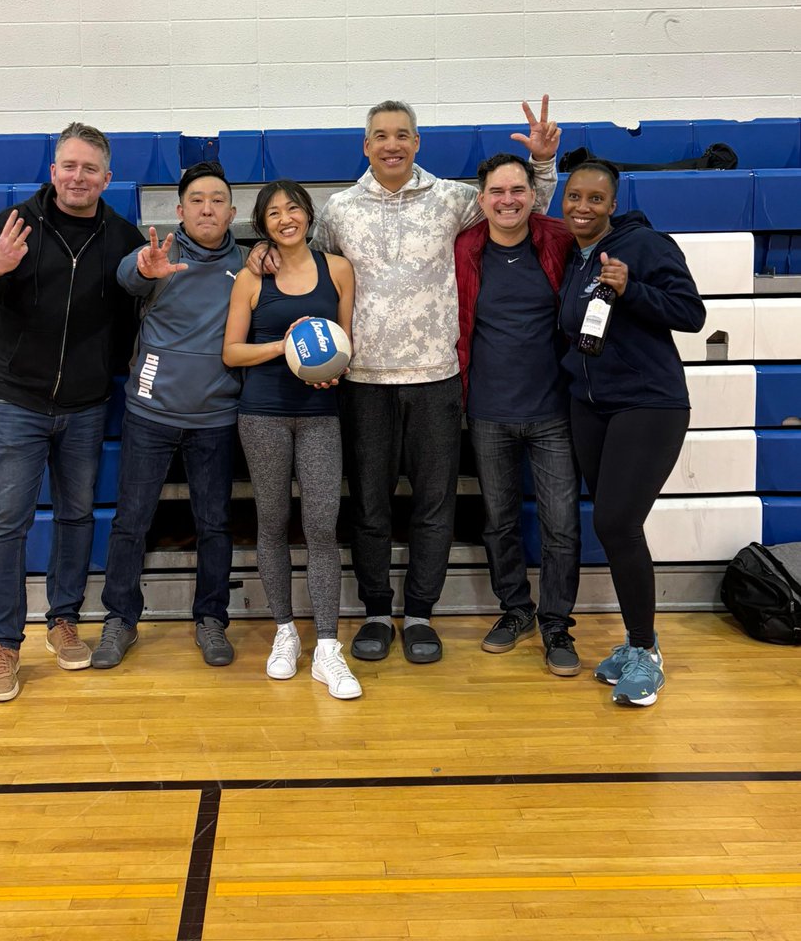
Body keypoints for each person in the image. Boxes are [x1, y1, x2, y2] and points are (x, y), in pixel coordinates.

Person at [310, 97, 560, 664]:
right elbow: (311, 264)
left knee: (433, 505)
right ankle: (376, 611)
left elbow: (518, 207)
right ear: (366, 145)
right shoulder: (339, 210)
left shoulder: (452, 199)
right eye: (381, 135)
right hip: (364, 380)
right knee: (370, 503)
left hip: (437, 379)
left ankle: (420, 612)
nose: (392, 144)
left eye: (403, 134)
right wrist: (264, 262)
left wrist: (543, 163)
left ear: (417, 142)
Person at [0, 122, 144, 703]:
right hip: (16, 401)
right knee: (7, 524)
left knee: (75, 518)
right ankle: (3, 644)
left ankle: (63, 619)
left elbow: (135, 318)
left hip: (86, 406)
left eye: (91, 169)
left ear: (107, 179)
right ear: (53, 170)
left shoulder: (120, 235)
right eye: (69, 165)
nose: (78, 177)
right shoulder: (13, 225)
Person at [558, 159, 706, 706]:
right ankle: (634, 642)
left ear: (612, 204)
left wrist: (632, 288)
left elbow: (692, 314)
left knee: (618, 521)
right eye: (575, 197)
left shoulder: (645, 245)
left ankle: (646, 651)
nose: (583, 207)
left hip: (648, 405)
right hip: (590, 408)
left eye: (595, 199)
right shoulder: (574, 258)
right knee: (617, 528)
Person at [91, 160, 246, 671]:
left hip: (217, 416)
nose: (207, 208)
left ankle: (212, 620)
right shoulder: (158, 255)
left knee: (215, 524)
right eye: (197, 200)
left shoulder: (248, 265)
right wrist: (142, 269)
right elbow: (126, 276)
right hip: (151, 413)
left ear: (232, 210)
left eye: (217, 200)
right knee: (131, 522)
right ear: (180, 210)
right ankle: (120, 620)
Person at [223, 179, 361, 700]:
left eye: (294, 209)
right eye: (274, 213)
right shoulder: (252, 277)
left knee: (322, 525)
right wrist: (283, 347)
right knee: (273, 521)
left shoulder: (339, 269)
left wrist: (333, 370)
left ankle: (327, 646)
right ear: (263, 225)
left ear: (308, 215)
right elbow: (232, 352)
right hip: (262, 415)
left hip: (320, 414)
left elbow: (345, 344)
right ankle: (284, 632)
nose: (286, 219)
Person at [454, 153, 581, 676]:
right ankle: (516, 610)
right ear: (480, 199)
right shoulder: (465, 247)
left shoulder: (557, 240)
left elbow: (616, 235)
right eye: (497, 191)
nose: (507, 200)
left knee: (561, 525)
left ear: (533, 194)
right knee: (500, 521)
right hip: (487, 411)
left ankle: (556, 623)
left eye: (518, 190)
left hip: (553, 410)